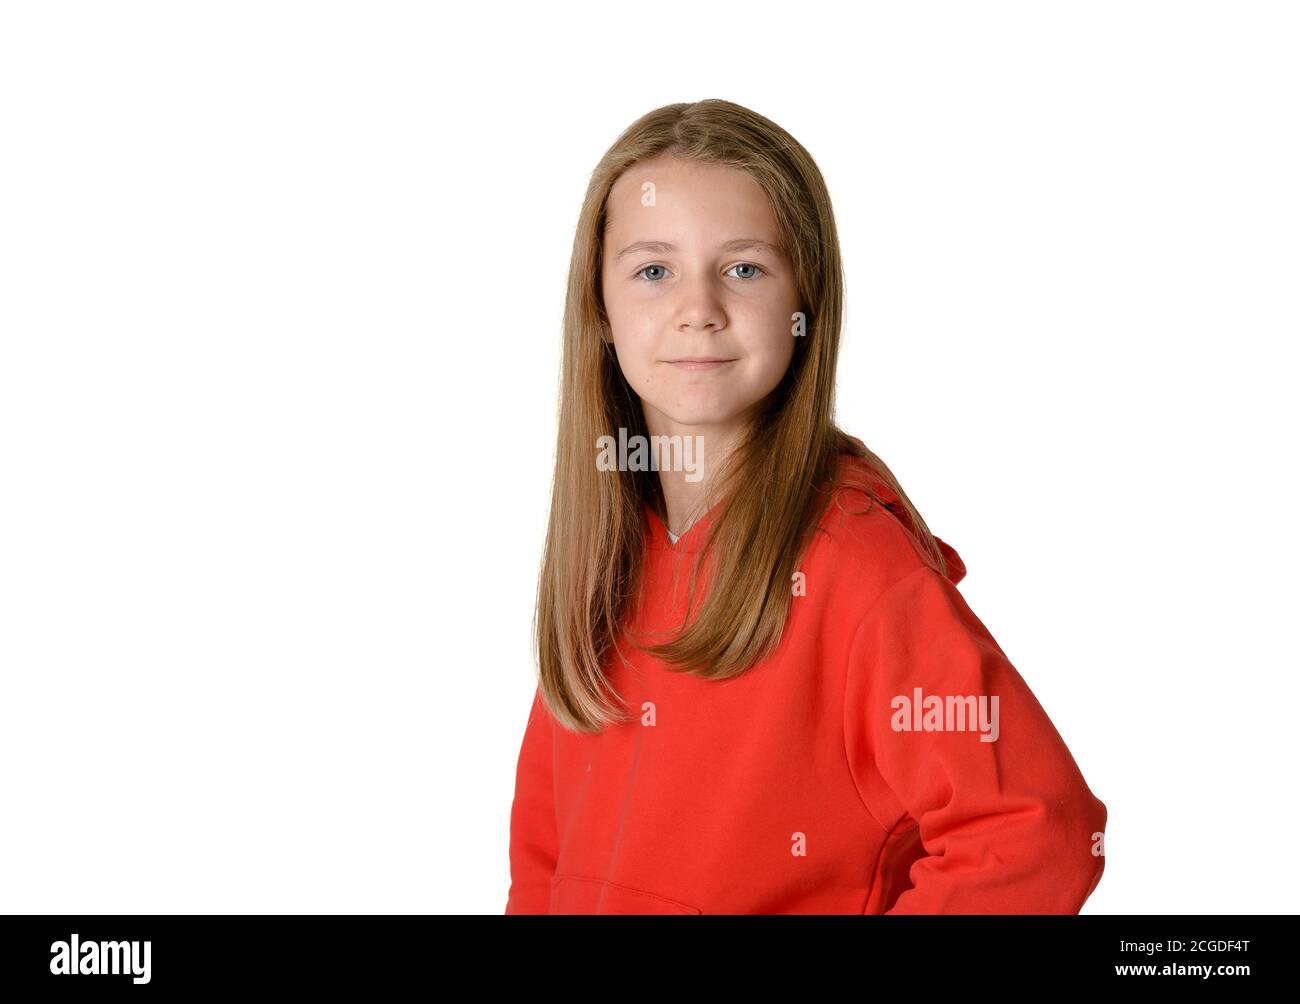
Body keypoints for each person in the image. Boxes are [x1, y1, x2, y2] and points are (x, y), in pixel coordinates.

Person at [505, 99, 1106, 914]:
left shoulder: (853, 565)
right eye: (653, 270)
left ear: (806, 303)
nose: (698, 306)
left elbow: (1036, 833)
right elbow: (546, 865)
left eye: (744, 268)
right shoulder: (603, 556)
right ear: (599, 310)